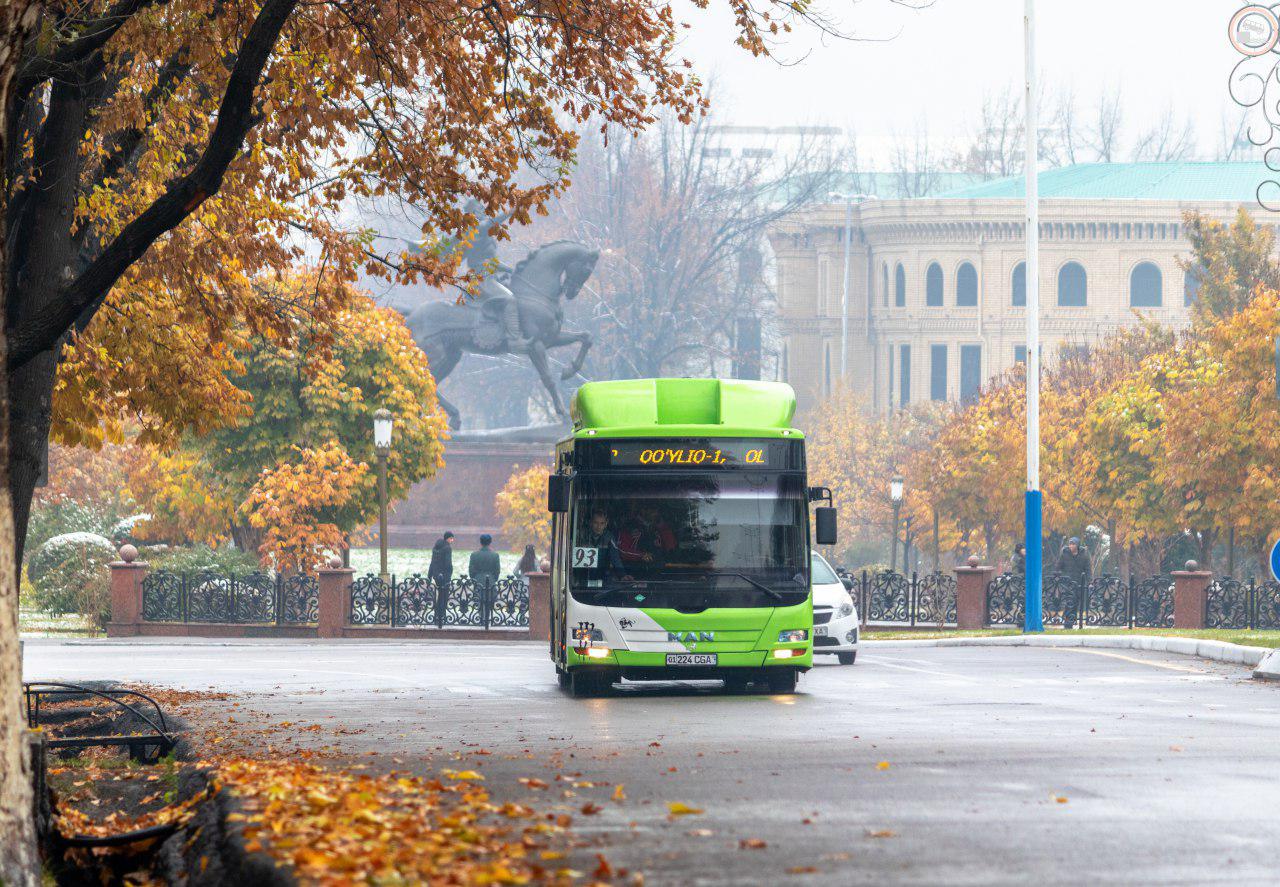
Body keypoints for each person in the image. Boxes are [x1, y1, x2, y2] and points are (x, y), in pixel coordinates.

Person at [1055, 536, 1091, 628]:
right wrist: (1058, 576)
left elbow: (1088, 569)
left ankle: (1071, 620)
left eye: (1073, 544)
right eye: (1070, 544)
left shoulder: (1084, 554)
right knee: (1069, 601)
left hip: (1078, 582)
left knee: (1076, 602)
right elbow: (1059, 566)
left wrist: (1089, 581)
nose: (1071, 546)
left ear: (1077, 545)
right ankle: (1067, 622)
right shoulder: (1064, 553)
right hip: (1067, 582)